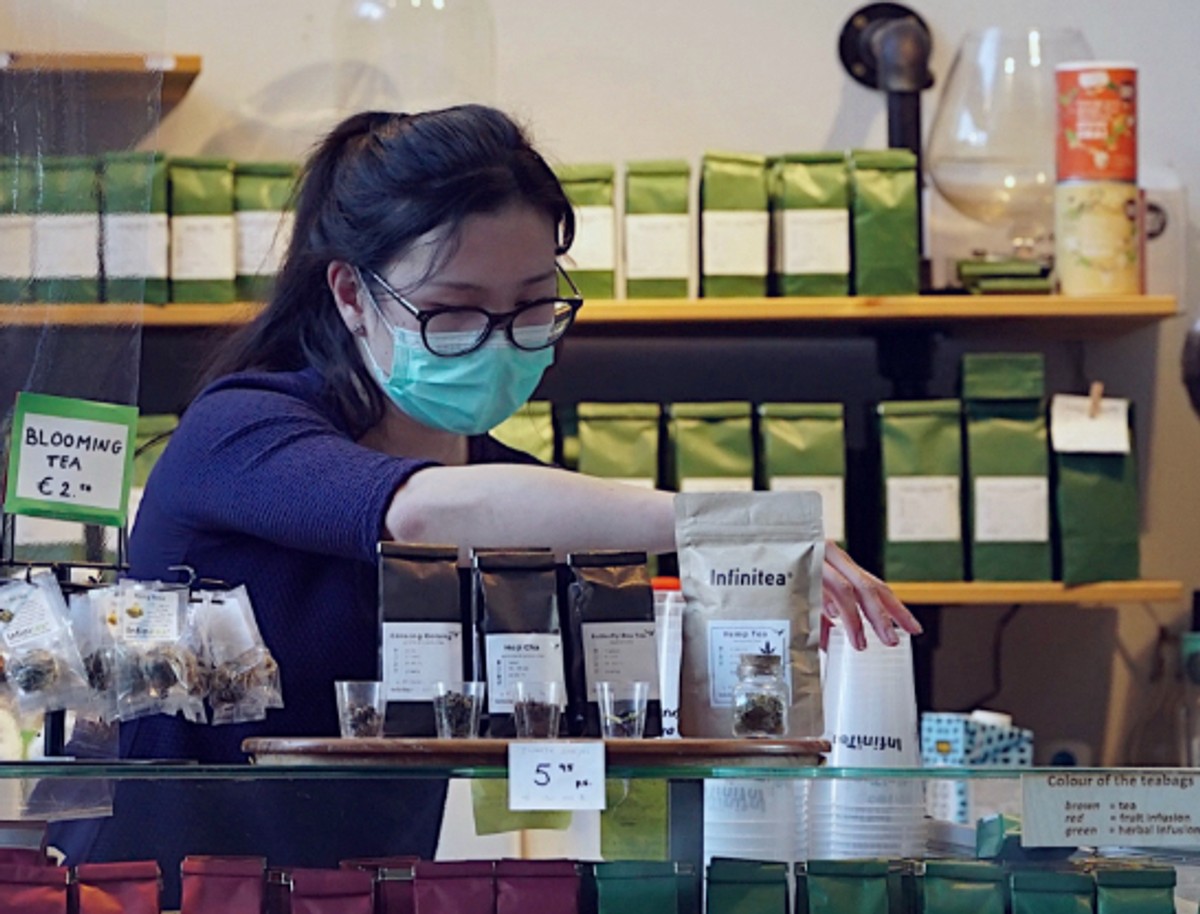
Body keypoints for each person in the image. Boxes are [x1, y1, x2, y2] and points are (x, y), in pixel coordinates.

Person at [50, 104, 920, 899]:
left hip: (365, 894)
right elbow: (417, 516)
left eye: (532, 307)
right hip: (159, 893)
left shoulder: (517, 491)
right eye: (453, 312)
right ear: (352, 296)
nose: (498, 342)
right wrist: (724, 527)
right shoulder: (241, 430)